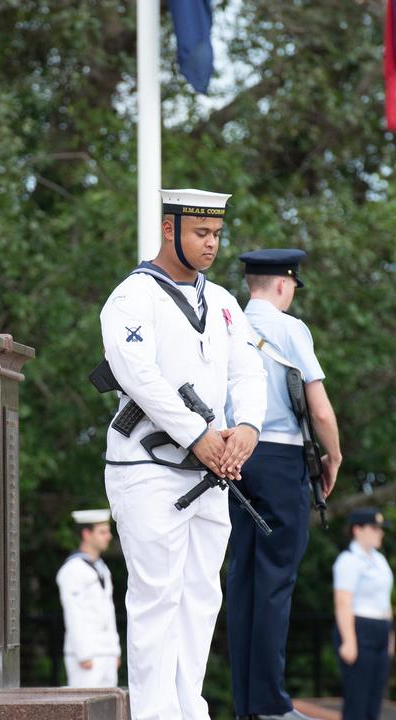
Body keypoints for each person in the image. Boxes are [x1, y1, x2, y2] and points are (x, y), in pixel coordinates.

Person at [99, 189, 267, 720]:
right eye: (201, 233)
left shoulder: (221, 301)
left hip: (212, 472)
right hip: (147, 468)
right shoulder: (132, 297)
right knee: (155, 598)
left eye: (216, 234)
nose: (211, 244)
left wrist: (248, 428)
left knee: (200, 597)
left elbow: (248, 371)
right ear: (170, 230)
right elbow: (140, 378)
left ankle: (188, 709)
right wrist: (199, 435)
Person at [226, 249, 344, 720]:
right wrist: (332, 456)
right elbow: (319, 409)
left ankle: (247, 704)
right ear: (282, 284)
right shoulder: (291, 329)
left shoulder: (227, 320)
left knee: (243, 579)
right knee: (276, 580)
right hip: (279, 458)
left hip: (234, 454)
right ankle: (271, 705)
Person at [332, 508, 394, 720]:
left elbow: (385, 601)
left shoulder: (380, 560)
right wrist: (349, 640)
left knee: (374, 700)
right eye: (374, 528)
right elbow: (343, 602)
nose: (380, 533)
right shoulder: (348, 560)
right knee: (357, 699)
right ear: (357, 530)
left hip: (380, 630)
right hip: (359, 629)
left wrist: (390, 637)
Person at [57, 508, 121, 688]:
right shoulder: (73, 569)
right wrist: (84, 654)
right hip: (87, 654)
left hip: (106, 652)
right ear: (86, 534)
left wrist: (114, 651)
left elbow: (108, 611)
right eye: (102, 532)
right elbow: (74, 613)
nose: (108, 537)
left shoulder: (102, 568)